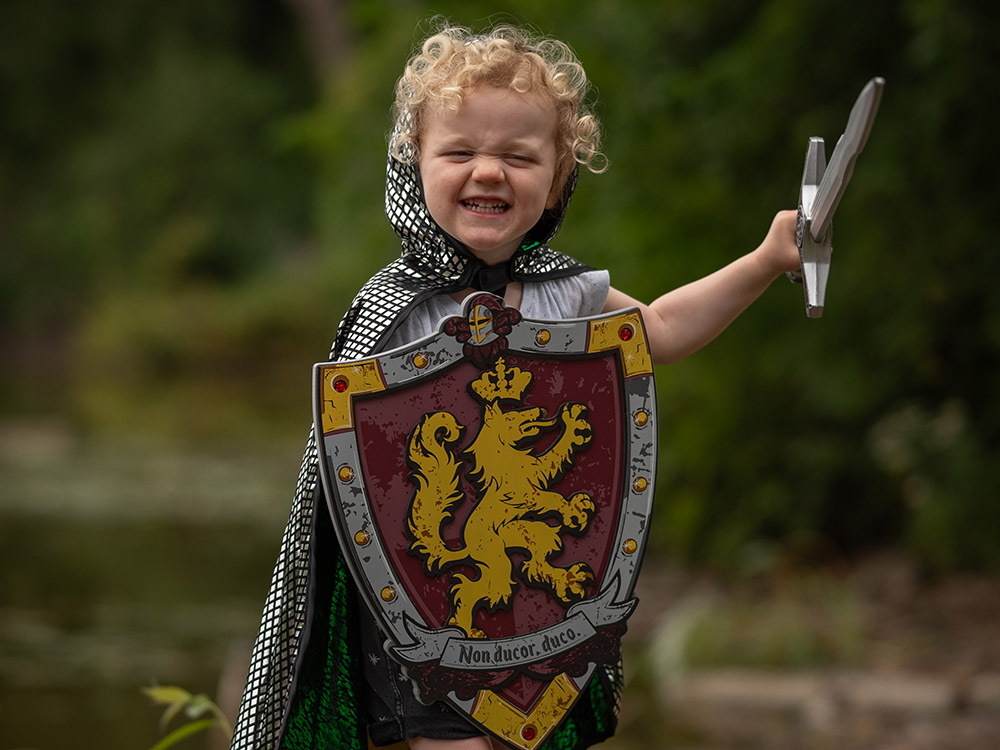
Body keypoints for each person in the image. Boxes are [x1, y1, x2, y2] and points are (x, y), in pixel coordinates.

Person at [229, 22, 802, 750]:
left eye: (517, 155)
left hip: (540, 606)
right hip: (424, 611)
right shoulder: (391, 306)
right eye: (460, 151)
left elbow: (658, 330)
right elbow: (354, 475)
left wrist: (763, 261)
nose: (489, 171)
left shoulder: (565, 293)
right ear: (416, 165)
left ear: (558, 176)